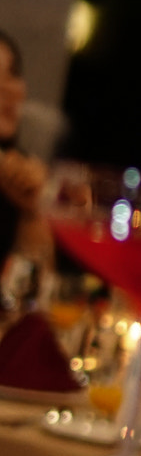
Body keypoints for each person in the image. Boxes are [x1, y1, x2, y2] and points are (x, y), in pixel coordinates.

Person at [0, 31, 49, 276]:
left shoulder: (19, 171)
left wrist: (31, 210)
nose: (9, 89)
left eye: (13, 74)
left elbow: (35, 294)